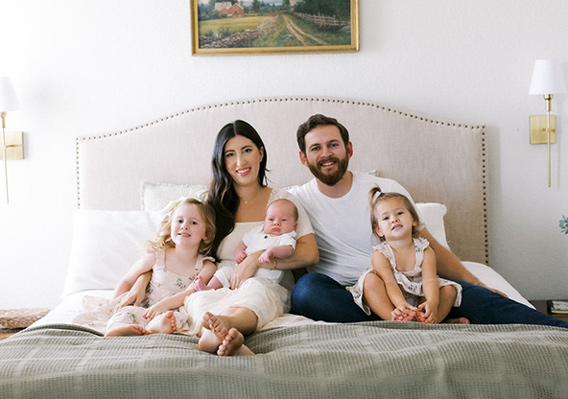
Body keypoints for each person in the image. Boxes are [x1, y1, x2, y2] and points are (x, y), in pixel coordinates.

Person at [289, 113, 568, 328]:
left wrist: (478, 285)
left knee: (480, 299)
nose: (326, 154)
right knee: (304, 292)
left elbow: (428, 245)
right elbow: (259, 228)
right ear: (303, 158)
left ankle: (560, 332)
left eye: (333, 145)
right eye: (316, 148)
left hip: (416, 288)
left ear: (349, 149)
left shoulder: (386, 189)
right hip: (351, 297)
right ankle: (419, 326)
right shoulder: (295, 201)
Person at [73, 198, 218, 336]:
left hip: (171, 312)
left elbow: (191, 292)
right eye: (179, 220)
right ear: (171, 226)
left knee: (173, 318)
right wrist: (115, 305)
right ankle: (117, 327)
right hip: (143, 309)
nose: (184, 225)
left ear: (206, 233)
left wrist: (164, 306)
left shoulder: (206, 266)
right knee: (126, 313)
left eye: (193, 222)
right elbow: (128, 280)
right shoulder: (157, 256)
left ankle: (156, 328)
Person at [347, 186, 461, 324]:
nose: (394, 219)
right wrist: (400, 304)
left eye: (399, 213)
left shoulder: (425, 250)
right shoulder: (381, 254)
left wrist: (432, 302)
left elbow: (429, 280)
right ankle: (396, 321)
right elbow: (389, 282)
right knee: (370, 282)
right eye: (386, 218)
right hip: (392, 300)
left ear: (413, 220)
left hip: (419, 296)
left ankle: (429, 319)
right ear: (379, 231)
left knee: (449, 290)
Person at [193, 198, 299, 291]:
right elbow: (243, 244)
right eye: (271, 219)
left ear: (294, 226)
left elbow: (288, 250)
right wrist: (238, 253)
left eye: (283, 220)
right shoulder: (258, 232)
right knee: (224, 271)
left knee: (253, 287)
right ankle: (209, 288)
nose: (276, 223)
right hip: (239, 271)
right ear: (265, 221)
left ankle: (239, 299)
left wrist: (272, 251)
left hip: (263, 280)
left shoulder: (286, 237)